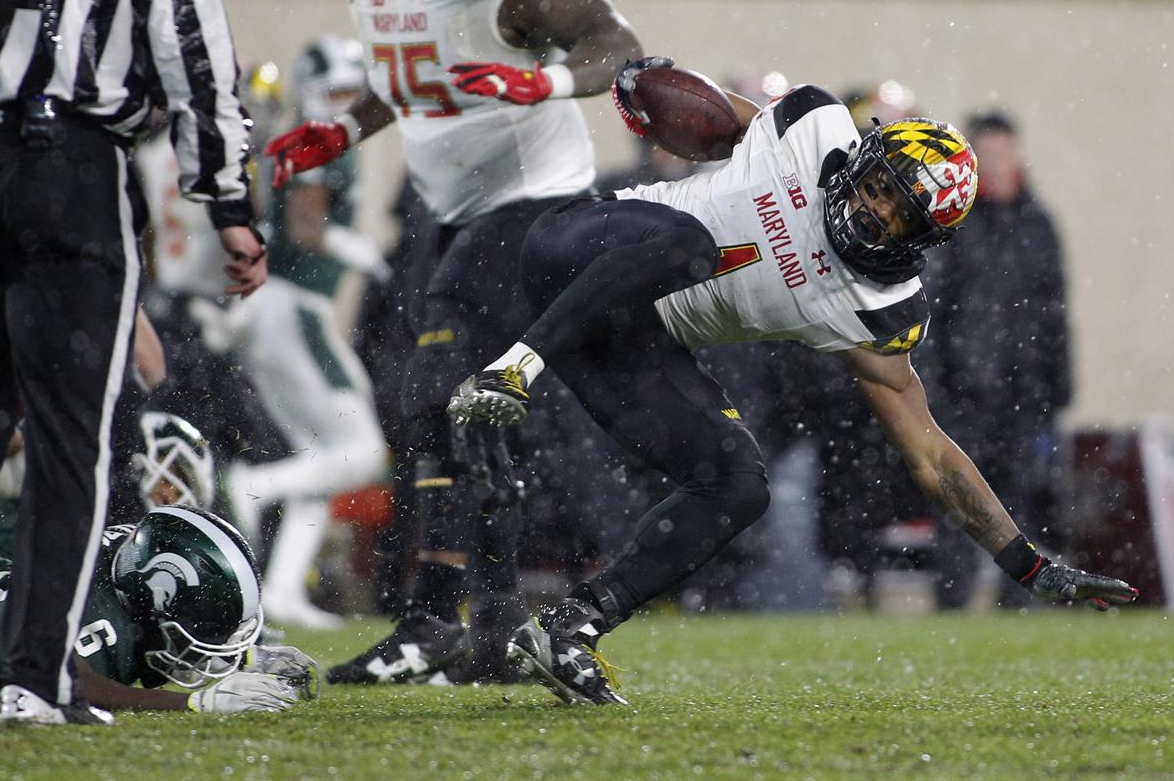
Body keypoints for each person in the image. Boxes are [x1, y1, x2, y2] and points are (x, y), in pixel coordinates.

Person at [448, 58, 1139, 705]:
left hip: (629, 344)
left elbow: (930, 454)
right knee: (692, 242)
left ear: (924, 242)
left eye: (903, 216)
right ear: (862, 161)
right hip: (575, 250)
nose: (877, 213)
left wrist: (1028, 564)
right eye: (880, 189)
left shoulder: (878, 309)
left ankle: (570, 627)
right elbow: (721, 119)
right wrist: (648, 82)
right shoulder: (813, 128)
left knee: (739, 483)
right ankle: (508, 372)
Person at [266, 0, 642, 683]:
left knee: (436, 392)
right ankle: (494, 631)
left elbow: (615, 42)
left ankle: (435, 620)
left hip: (536, 200)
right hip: (456, 209)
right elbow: (408, 74)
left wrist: (546, 82)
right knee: (472, 411)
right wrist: (345, 129)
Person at [0, 0, 265, 725]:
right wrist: (226, 198)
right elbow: (192, 46)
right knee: (72, 443)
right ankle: (37, 680)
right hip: (68, 159)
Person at [220, 36, 390, 631]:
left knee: (322, 457)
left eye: (353, 92)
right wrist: (358, 249)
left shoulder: (297, 136)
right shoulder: (326, 144)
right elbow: (305, 224)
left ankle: (284, 588)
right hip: (294, 306)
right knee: (362, 450)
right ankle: (250, 486)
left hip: (273, 309)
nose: (346, 103)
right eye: (337, 91)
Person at [918, 111, 1073, 609]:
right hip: (966, 392)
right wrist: (938, 384)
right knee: (961, 501)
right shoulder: (955, 223)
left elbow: (1055, 308)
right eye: (986, 155)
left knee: (1023, 500)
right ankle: (953, 601)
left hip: (1024, 392)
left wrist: (1058, 383)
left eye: (1002, 152)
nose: (996, 164)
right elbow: (936, 309)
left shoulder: (1038, 223)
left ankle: (1018, 600)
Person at [0, 507, 318, 717]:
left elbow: (155, 638)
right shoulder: (89, 607)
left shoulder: (128, 576)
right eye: (207, 625)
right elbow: (58, 680)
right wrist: (193, 703)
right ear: (158, 588)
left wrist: (245, 658)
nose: (212, 634)